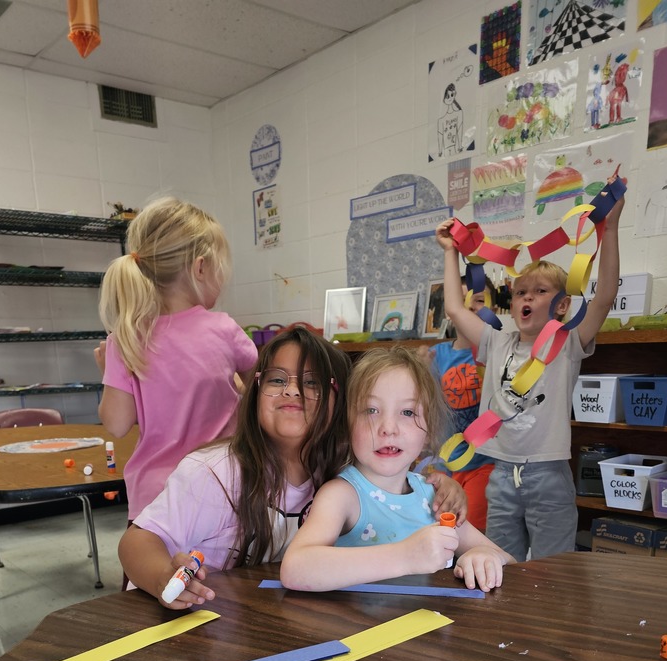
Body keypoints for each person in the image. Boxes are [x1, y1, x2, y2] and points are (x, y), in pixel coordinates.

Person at [119, 328, 468, 609]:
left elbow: (395, 480)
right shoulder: (211, 472)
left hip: (267, 627)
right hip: (183, 623)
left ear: (343, 406)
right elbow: (136, 541)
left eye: (313, 383)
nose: (292, 390)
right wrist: (162, 575)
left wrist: (441, 485)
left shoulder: (341, 467)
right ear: (256, 392)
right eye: (276, 380)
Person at [434, 178, 624, 562]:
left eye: (539, 292)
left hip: (548, 474)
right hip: (501, 474)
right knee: (502, 563)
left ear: (560, 306)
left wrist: (613, 228)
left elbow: (604, 296)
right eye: (521, 291)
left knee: (554, 568)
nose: (527, 297)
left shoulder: (567, 343)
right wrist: (450, 253)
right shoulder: (496, 341)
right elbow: (455, 309)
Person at [279, 347, 513, 593]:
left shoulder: (432, 497)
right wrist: (405, 556)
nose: (388, 428)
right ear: (347, 425)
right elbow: (294, 569)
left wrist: (483, 556)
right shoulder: (342, 496)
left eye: (407, 412)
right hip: (358, 630)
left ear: (428, 433)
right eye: (371, 410)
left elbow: (506, 557)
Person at [94, 196, 259, 523]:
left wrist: (109, 373)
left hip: (155, 499)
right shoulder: (224, 329)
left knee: (154, 573)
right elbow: (258, 387)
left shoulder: (125, 340)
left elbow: (116, 423)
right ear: (200, 267)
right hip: (222, 488)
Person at [419, 276, 497, 532]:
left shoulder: (500, 353)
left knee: (471, 531)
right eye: (462, 301)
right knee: (440, 529)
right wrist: (418, 371)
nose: (470, 308)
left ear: (493, 309)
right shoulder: (437, 355)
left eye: (477, 300)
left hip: (485, 464)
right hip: (445, 464)